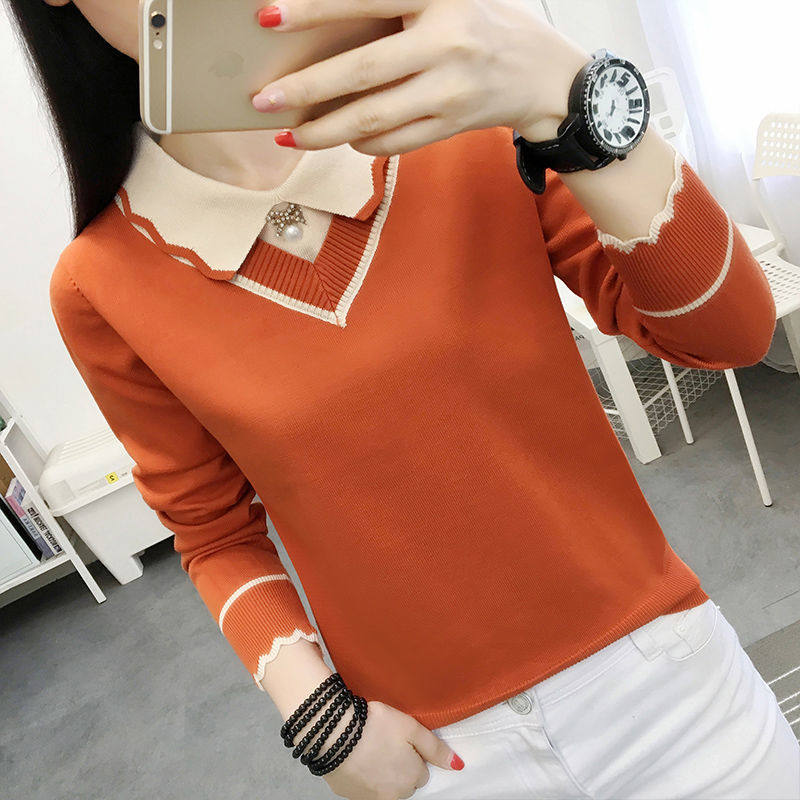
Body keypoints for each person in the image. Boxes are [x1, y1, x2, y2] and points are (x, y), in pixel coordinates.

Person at [8, 0, 799, 797]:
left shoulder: (465, 114)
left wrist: (572, 93)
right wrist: (320, 720)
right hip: (442, 757)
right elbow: (212, 531)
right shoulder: (101, 284)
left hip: (667, 682)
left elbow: (730, 333)